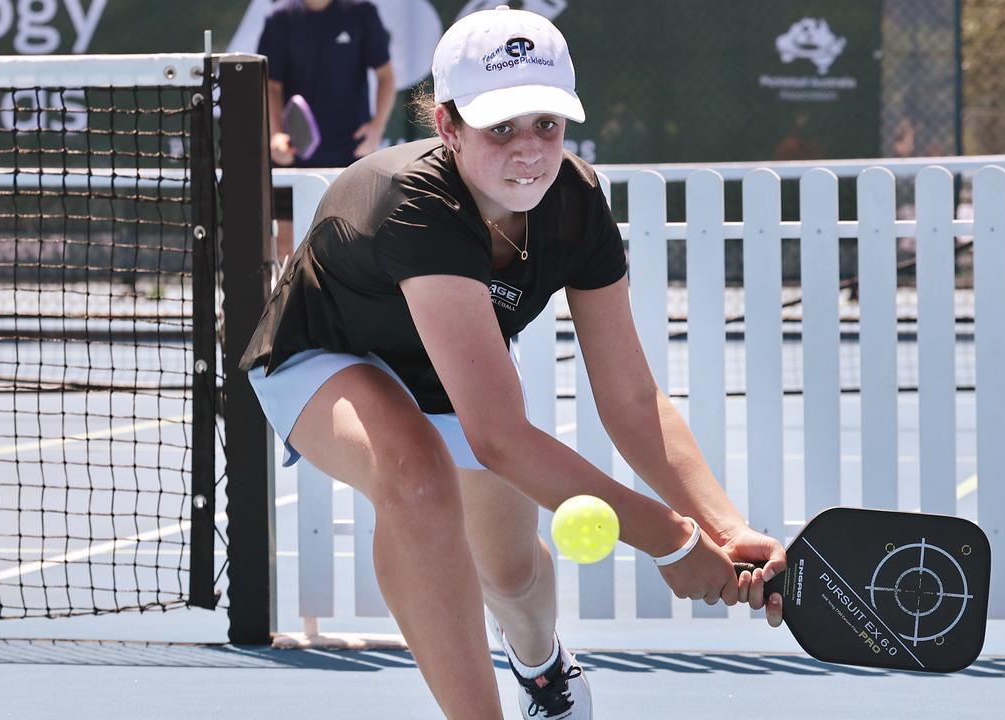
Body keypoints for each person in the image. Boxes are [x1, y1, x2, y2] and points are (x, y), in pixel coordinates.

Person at [239, 6, 786, 719]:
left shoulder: (577, 204)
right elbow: (497, 435)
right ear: (447, 127)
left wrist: (720, 526)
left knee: (513, 568)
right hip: (324, 349)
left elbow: (632, 398)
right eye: (500, 128)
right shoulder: (417, 204)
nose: (529, 150)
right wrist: (668, 540)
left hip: (456, 365)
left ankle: (542, 666)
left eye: (546, 125)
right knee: (416, 476)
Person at [257, 0, 396, 265]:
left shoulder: (361, 12)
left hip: (350, 154)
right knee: (287, 248)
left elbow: (386, 75)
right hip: (294, 155)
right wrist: (276, 134)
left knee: (351, 245)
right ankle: (290, 306)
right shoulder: (279, 19)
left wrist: (376, 129)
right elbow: (271, 86)